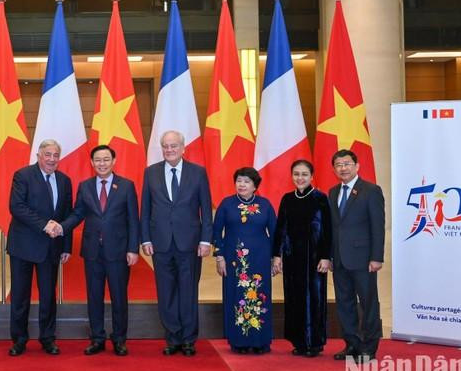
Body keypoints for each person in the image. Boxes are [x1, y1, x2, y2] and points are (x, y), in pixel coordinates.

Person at [62, 144, 140, 356]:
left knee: (119, 297)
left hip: (119, 251)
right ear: (92, 163)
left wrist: (133, 249)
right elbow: (78, 213)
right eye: (98, 160)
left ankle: (119, 338)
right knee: (94, 296)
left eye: (106, 159)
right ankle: (97, 338)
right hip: (92, 251)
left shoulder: (126, 186)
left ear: (114, 162)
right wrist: (61, 227)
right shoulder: (85, 186)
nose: (102, 163)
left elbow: (134, 220)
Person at [141, 130, 212, 356]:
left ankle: (189, 339)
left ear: (183, 148)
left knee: (188, 291)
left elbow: (206, 209)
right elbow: (145, 210)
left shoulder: (198, 173)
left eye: (173, 146)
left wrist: (205, 240)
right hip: (160, 243)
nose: (169, 150)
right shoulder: (150, 173)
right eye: (165, 146)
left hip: (190, 243)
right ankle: (172, 337)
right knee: (166, 291)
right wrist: (145, 239)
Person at [7, 139, 73, 356]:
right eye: (48, 154)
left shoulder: (64, 181)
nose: (52, 159)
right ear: (38, 155)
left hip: (51, 248)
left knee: (48, 296)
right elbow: (17, 207)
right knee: (20, 295)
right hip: (23, 246)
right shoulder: (23, 175)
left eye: (56, 155)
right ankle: (19, 339)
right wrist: (44, 224)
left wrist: (66, 246)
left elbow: (67, 215)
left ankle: (47, 337)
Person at [328, 149, 385, 363]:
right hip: (340, 258)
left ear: (357, 166)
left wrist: (377, 257)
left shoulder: (371, 190)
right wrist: (330, 256)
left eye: (347, 164)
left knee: (368, 302)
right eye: (339, 165)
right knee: (344, 303)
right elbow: (334, 228)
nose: (343, 168)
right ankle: (352, 343)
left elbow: (377, 226)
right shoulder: (333, 192)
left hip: (364, 259)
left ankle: (369, 346)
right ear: (334, 169)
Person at [213, 167, 277, 354]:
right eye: (239, 181)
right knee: (237, 296)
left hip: (260, 259)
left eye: (247, 181)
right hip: (235, 261)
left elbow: (275, 233)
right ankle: (239, 341)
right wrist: (220, 256)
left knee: (259, 297)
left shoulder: (265, 205)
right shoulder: (226, 204)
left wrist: (276, 258)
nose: (242, 184)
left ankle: (260, 341)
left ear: (255, 186)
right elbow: (217, 232)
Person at [271, 160, 332, 357]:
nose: (300, 178)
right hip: (291, 258)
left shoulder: (321, 198)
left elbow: (328, 231)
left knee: (313, 299)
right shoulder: (287, 199)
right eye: (296, 174)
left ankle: (314, 343)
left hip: (314, 259)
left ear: (312, 176)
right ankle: (298, 341)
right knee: (294, 298)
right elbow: (280, 229)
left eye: (304, 174)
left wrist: (325, 256)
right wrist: (277, 256)